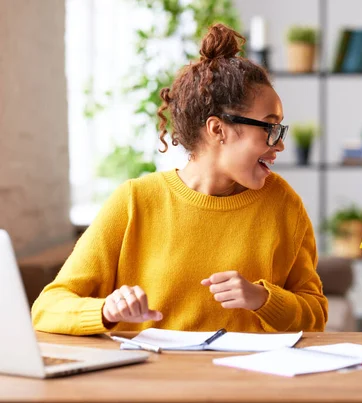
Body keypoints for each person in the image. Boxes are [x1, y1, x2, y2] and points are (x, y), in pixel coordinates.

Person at [32, 24, 328, 335]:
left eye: (280, 129)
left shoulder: (283, 203)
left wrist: (264, 299)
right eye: (269, 127)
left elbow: (315, 315)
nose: (279, 144)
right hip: (153, 379)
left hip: (249, 380)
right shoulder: (135, 201)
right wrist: (105, 310)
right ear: (218, 130)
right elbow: (48, 307)